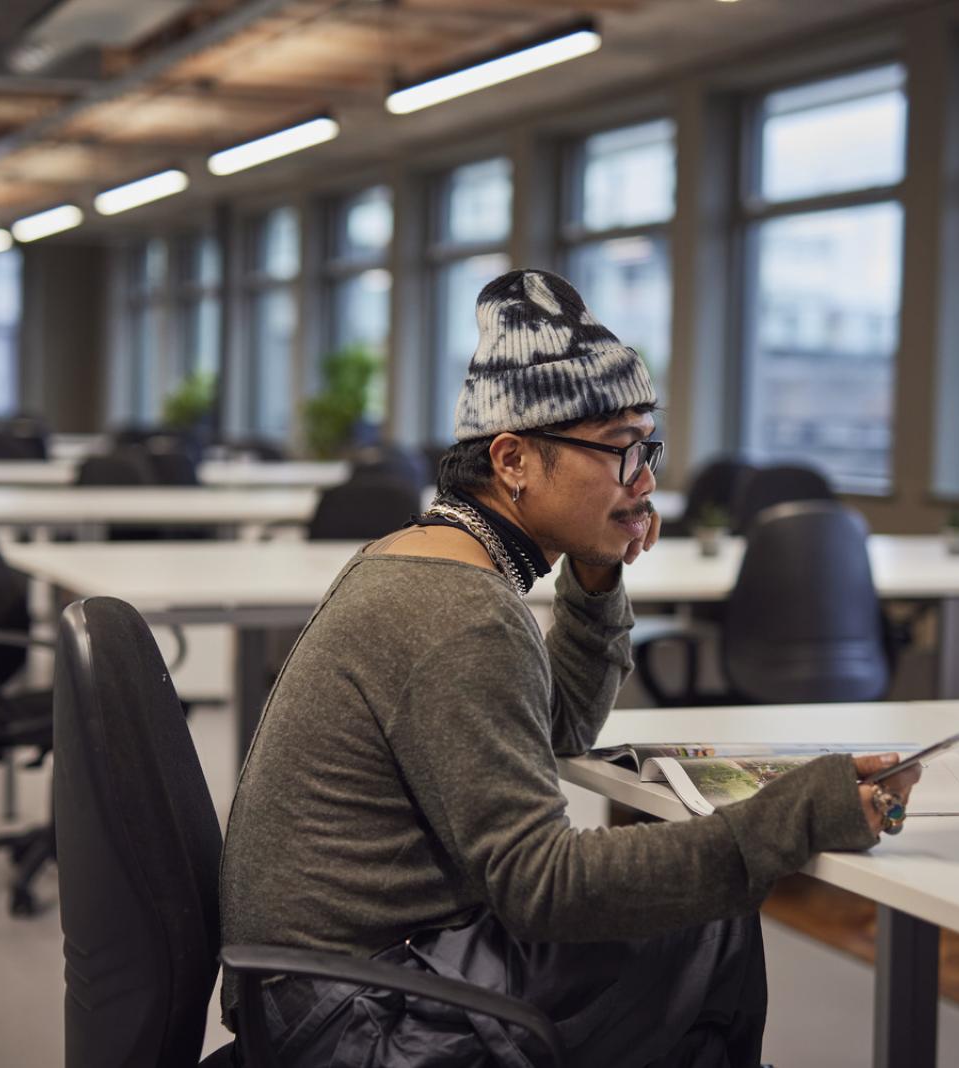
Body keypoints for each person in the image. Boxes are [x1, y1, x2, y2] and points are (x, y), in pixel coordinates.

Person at [218, 268, 921, 1067]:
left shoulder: (429, 559)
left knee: (685, 913)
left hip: (324, 986)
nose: (647, 482)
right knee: (705, 927)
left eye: (647, 448)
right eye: (620, 450)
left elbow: (549, 729)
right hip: (353, 1017)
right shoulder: (457, 610)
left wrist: (595, 575)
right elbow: (542, 884)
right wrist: (794, 816)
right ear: (514, 459)